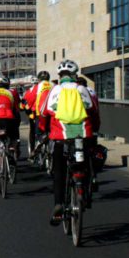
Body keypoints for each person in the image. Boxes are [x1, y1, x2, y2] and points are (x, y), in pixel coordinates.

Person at [45, 61, 100, 224]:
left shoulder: (55, 90)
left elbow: (44, 113)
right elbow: (93, 111)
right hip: (84, 135)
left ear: (59, 76)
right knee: (87, 162)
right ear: (75, 75)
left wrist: (44, 130)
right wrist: (94, 129)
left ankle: (59, 204)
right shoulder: (82, 89)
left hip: (61, 137)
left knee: (59, 171)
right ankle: (87, 190)